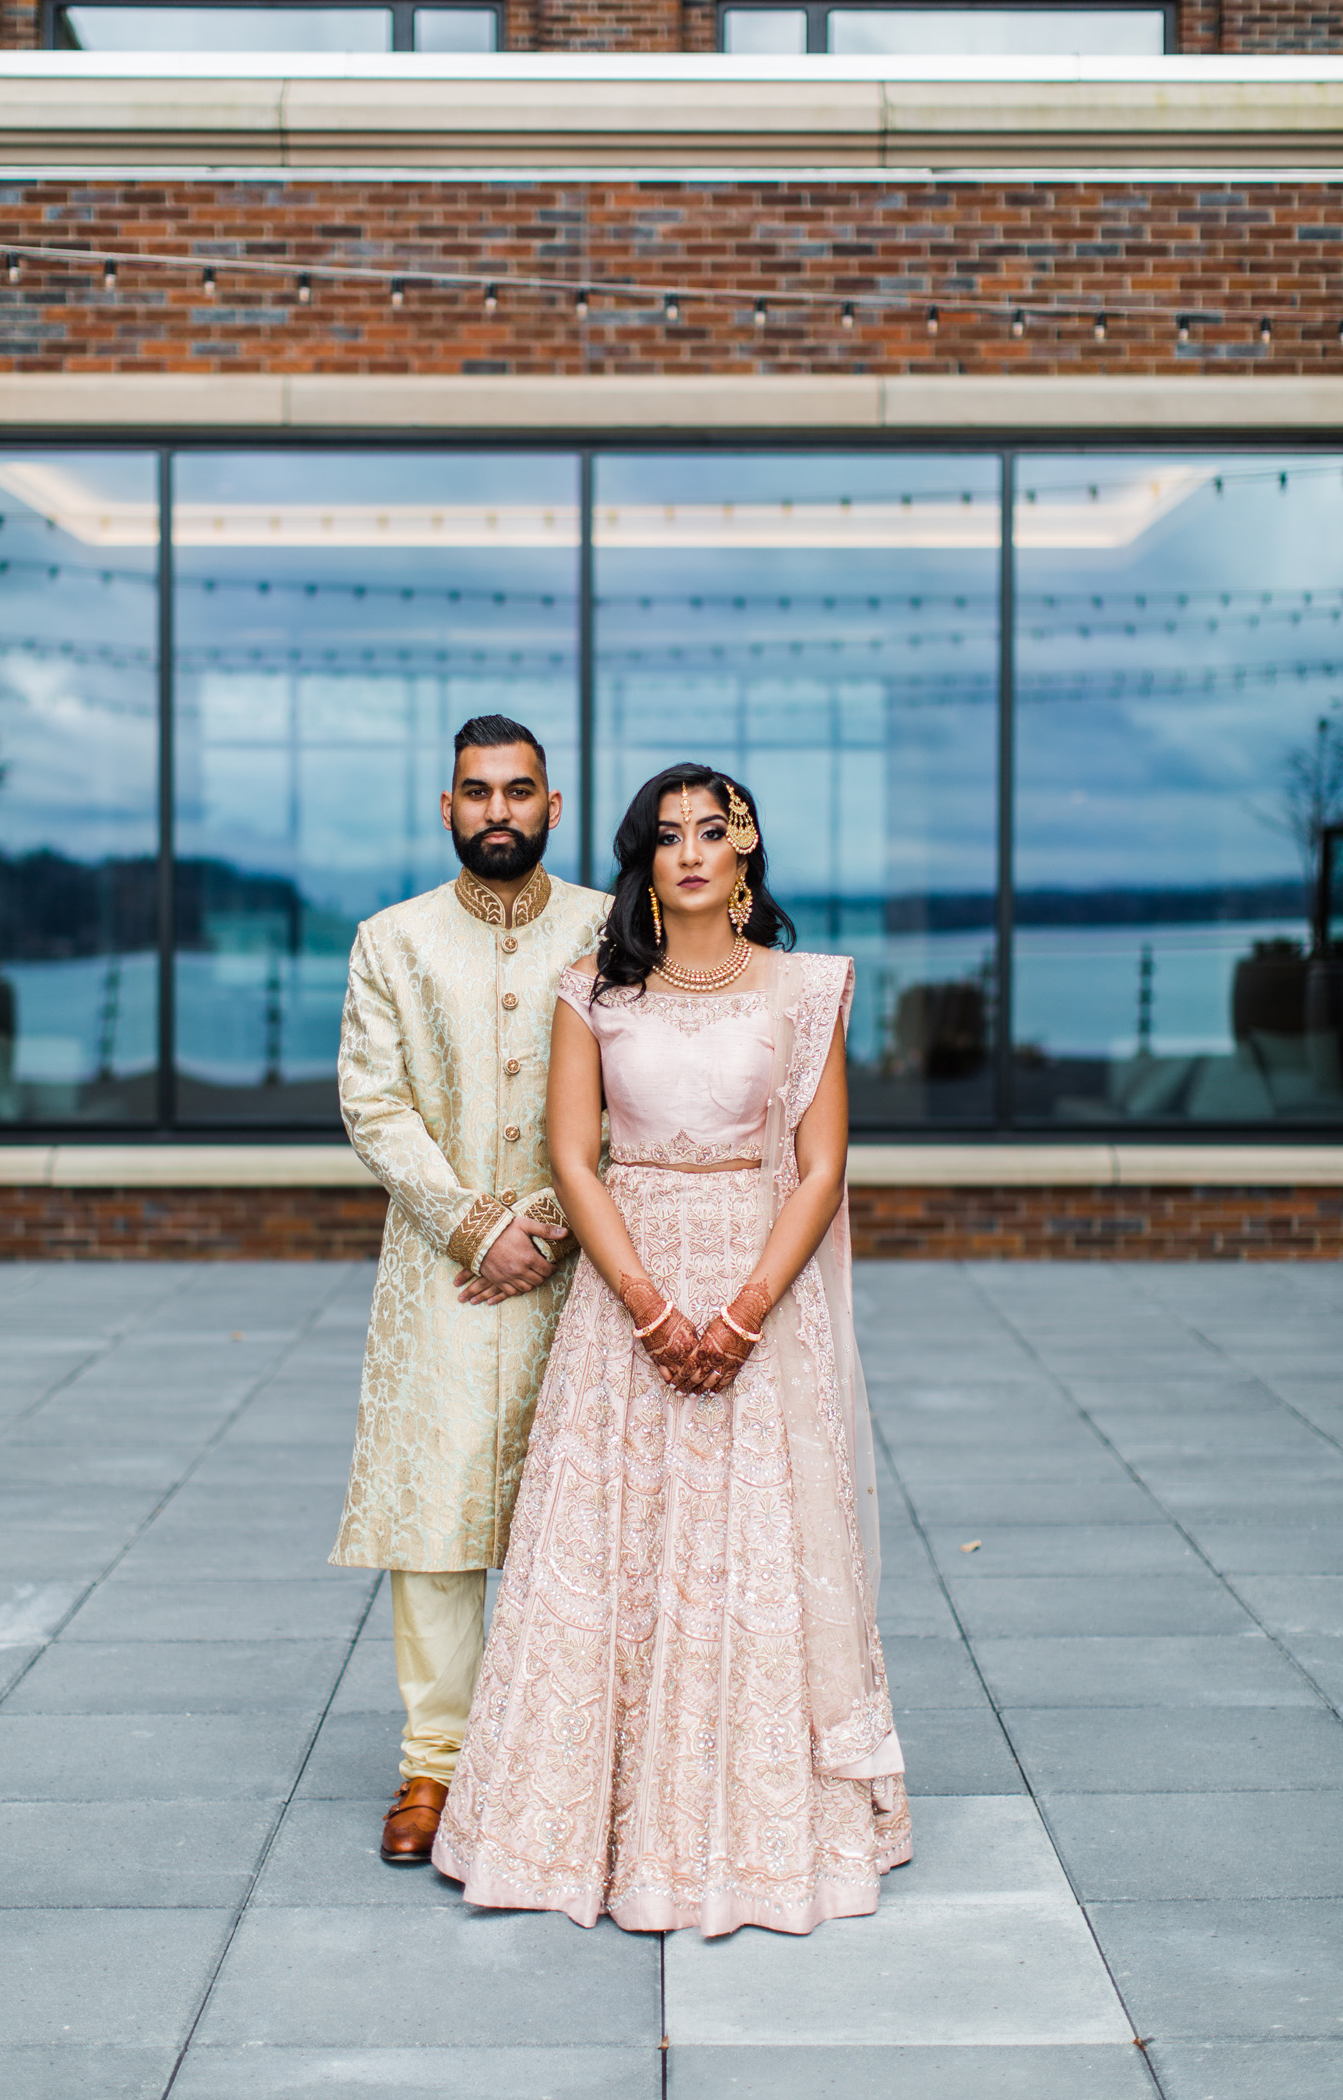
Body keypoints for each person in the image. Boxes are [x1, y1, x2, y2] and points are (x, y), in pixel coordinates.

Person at [434, 761, 910, 1936]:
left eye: (713, 831)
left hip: (760, 1280)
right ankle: (577, 1828)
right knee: (615, 1549)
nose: (690, 850)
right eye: (666, 834)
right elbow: (575, 1159)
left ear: (746, 856)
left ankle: (755, 1831)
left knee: (755, 1544)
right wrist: (648, 1305)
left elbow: (822, 1167)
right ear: (641, 860)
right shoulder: (592, 987)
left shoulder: (807, 990)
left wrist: (745, 1309)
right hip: (625, 1294)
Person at [328, 715, 608, 1865]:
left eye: (520, 791)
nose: (500, 810)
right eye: (477, 792)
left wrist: (547, 1222)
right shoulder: (390, 942)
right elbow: (372, 1102)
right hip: (441, 1275)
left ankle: (572, 1755)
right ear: (444, 809)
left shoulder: (606, 930)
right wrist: (472, 1224)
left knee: (583, 1516)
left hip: (582, 1266)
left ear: (554, 807)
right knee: (436, 1525)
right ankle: (434, 1770)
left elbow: (639, 1087)